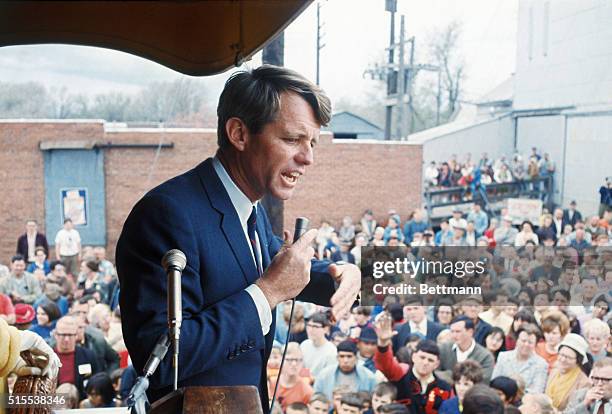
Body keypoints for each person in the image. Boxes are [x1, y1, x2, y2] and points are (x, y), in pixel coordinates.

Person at [116, 65, 361, 412]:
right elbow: (161, 359)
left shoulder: (250, 208)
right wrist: (269, 293)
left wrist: (349, 273)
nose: (308, 158)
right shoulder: (165, 214)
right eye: (292, 139)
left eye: (312, 144)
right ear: (239, 134)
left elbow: (278, 265)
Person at [374, 313, 452, 412]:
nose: (425, 362)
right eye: (422, 357)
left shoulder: (445, 388)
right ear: (414, 357)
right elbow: (384, 364)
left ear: (436, 364)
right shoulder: (400, 376)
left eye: (430, 360)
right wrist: (383, 343)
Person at [53, 315, 101, 400]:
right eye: (63, 335)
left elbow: (97, 381)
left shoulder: (88, 356)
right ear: (55, 335)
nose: (66, 339)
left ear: (76, 336)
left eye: (70, 335)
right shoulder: (47, 357)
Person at [436, 316, 495, 384]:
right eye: (452, 331)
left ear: (470, 332)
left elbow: (482, 382)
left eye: (458, 332)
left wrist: (448, 375)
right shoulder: (443, 348)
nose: (454, 335)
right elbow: (433, 372)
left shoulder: (485, 356)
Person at [491, 323, 548, 393]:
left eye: (530, 342)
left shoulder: (541, 364)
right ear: (517, 340)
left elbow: (537, 391)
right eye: (523, 341)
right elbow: (494, 382)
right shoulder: (503, 357)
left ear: (535, 344)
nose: (526, 345)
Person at [314, 340, 378, 400]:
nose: (345, 360)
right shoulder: (324, 375)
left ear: (356, 358)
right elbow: (316, 398)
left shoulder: (369, 377)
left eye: (349, 356)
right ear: (337, 358)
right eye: (342, 356)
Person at [545, 333, 591, 411]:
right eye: (561, 355)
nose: (563, 359)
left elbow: (575, 409)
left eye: (568, 357)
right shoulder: (554, 371)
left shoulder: (583, 383)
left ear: (577, 361)